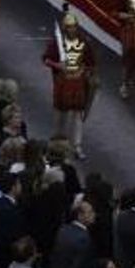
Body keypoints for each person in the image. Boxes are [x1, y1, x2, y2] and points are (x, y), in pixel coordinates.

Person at [41, 8, 95, 159]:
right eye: (69, 27)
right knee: (60, 114)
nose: (72, 29)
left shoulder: (84, 41)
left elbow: (90, 63)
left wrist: (85, 72)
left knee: (78, 114)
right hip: (62, 82)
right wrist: (58, 66)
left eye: (74, 26)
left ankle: (77, 145)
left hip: (78, 82)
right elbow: (46, 59)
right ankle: (59, 143)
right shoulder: (56, 43)